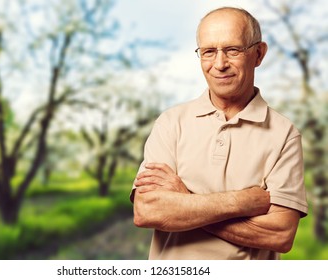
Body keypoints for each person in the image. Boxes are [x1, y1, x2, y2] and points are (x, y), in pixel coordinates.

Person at [131, 7, 308, 260]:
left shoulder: (284, 135)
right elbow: (147, 211)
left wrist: (184, 202)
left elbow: (280, 235)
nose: (220, 64)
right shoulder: (170, 123)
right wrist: (243, 202)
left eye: (233, 50)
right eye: (209, 52)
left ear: (258, 54)